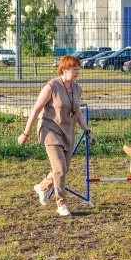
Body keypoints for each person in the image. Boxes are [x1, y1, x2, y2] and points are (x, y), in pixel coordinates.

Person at [18, 55, 97, 216]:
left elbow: (78, 112)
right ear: (64, 69)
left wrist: (87, 130)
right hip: (50, 130)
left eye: (78, 69)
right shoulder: (51, 86)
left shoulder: (77, 88)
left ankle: (42, 186)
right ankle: (61, 204)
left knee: (63, 168)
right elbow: (36, 109)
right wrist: (26, 133)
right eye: (74, 69)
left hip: (67, 132)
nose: (77, 72)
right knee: (60, 168)